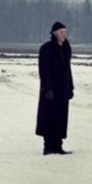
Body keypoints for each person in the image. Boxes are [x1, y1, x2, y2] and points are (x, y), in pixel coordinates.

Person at [36, 21, 74, 155]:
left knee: (60, 118)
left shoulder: (66, 48)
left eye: (65, 32)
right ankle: (48, 146)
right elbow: (44, 70)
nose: (64, 34)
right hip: (51, 90)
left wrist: (70, 87)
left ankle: (58, 146)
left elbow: (68, 70)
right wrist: (47, 89)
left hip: (62, 89)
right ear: (54, 33)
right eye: (61, 32)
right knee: (48, 117)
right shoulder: (46, 49)